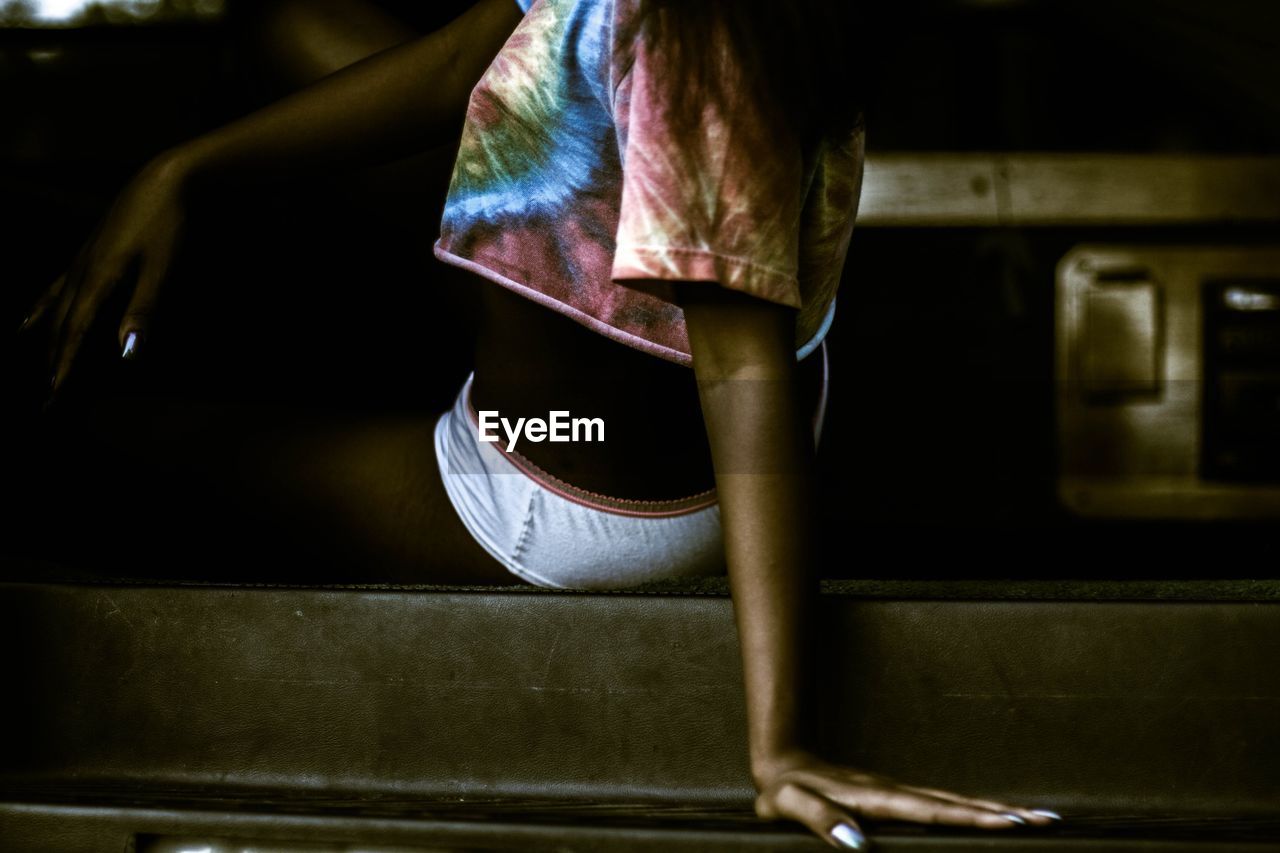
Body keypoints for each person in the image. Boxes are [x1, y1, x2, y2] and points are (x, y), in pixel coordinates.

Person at [18, 0, 1063, 847]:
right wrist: (177, 173)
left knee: (132, 445)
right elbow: (472, 51)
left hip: (584, 480)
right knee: (296, 27)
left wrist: (780, 748)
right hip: (616, 363)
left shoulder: (699, 31)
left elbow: (740, 373)